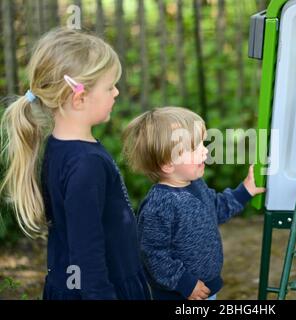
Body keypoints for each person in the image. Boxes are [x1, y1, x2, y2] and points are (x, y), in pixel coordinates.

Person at [0, 28, 150, 300]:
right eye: (109, 86)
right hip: (100, 289)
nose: (116, 92)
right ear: (79, 98)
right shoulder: (86, 165)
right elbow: (86, 252)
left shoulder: (61, 148)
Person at [122, 106, 265, 300]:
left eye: (202, 143)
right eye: (194, 147)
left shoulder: (196, 184)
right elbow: (153, 254)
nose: (205, 151)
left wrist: (244, 192)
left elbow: (216, 208)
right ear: (167, 163)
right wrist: (185, 284)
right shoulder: (160, 205)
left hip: (205, 289)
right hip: (180, 294)